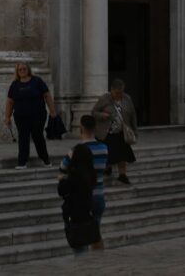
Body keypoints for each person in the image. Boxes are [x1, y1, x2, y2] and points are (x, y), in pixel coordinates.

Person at [64, 114, 111, 253]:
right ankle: (98, 261)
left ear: (81, 129)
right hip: (98, 195)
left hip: (81, 198)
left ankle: (82, 264)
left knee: (80, 232)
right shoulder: (104, 148)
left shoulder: (75, 151)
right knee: (95, 231)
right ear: (95, 128)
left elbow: (62, 171)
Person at [56, 120, 103, 255]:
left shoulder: (74, 177)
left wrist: (62, 179)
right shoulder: (91, 175)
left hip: (75, 213)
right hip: (90, 206)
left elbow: (62, 189)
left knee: (79, 245)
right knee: (92, 234)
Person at [6, 62, 57, 169]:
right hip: (21, 116)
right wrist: (7, 117)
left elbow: (47, 95)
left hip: (38, 115)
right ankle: (22, 162)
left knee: (38, 136)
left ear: (28, 70)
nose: (22, 71)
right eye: (20, 70)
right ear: (17, 72)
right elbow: (10, 101)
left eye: (24, 69)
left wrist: (52, 111)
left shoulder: (37, 81)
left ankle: (45, 159)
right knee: (23, 137)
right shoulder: (15, 84)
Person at [89, 79, 138, 186]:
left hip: (122, 132)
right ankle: (107, 168)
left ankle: (122, 175)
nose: (119, 95)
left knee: (123, 155)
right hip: (107, 133)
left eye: (121, 92)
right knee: (108, 154)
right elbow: (94, 112)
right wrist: (102, 115)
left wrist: (135, 130)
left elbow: (133, 115)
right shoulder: (104, 99)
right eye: (117, 92)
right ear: (111, 90)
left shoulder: (127, 99)